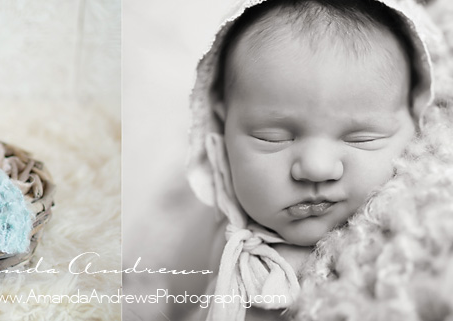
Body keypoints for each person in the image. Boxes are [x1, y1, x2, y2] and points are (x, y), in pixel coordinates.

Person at [185, 0, 435, 319]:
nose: (317, 168)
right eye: (272, 137)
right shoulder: (213, 234)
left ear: (417, 121)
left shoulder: (409, 250)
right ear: (222, 125)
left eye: (361, 138)